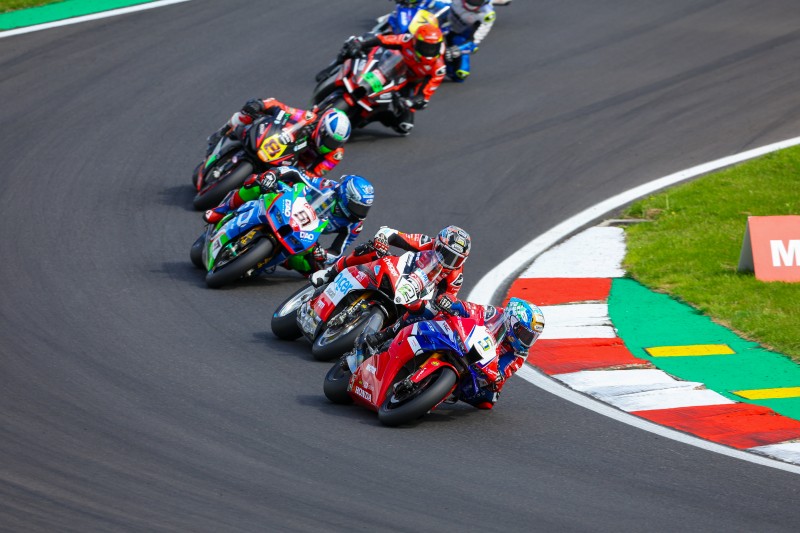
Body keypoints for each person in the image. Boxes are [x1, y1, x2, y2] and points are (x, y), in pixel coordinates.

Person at [354, 296, 545, 410]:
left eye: (532, 337)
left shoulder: (519, 353)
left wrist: (496, 379)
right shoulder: (494, 315)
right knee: (428, 309)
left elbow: (504, 371)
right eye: (525, 333)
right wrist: (451, 304)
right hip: (463, 342)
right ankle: (384, 335)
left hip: (480, 369)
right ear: (512, 322)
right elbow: (469, 309)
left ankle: (436, 391)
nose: (527, 340)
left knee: (486, 401)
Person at [204, 166, 374, 275]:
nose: (359, 213)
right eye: (357, 206)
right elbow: (295, 173)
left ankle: (278, 259)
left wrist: (324, 255)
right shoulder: (327, 187)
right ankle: (222, 210)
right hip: (289, 205)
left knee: (313, 268)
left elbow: (337, 251)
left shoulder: (354, 225)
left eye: (363, 209)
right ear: (345, 195)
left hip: (305, 232)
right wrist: (274, 174)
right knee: (256, 182)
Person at [334, 22, 446, 135]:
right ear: (415, 42)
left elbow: (423, 97)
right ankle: (338, 66)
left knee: (404, 126)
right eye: (425, 47)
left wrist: (410, 102)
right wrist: (361, 43)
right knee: (357, 46)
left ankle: (376, 115)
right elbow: (383, 40)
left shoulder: (438, 69)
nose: (429, 52)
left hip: (408, 86)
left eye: (433, 48)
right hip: (390, 69)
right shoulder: (407, 40)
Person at [310, 225, 471, 303]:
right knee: (371, 250)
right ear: (437, 244)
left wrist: (443, 303)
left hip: (417, 293)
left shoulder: (456, 277)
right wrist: (382, 240)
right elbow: (391, 233)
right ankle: (330, 273)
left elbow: (447, 298)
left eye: (454, 259)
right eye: (444, 252)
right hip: (401, 271)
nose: (447, 260)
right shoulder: (426, 242)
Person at [203, 97, 351, 178]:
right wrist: (261, 105)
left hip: (293, 166)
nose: (330, 145)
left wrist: (302, 175)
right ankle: (221, 132)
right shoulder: (309, 118)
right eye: (330, 140)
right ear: (322, 129)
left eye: (335, 143)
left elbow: (316, 175)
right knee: (247, 113)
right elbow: (282, 108)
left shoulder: (336, 154)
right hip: (279, 143)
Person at [443, 0, 496, 82]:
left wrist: (457, 49)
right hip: (440, 22)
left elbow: (473, 42)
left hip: (459, 35)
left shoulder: (487, 15)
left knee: (461, 74)